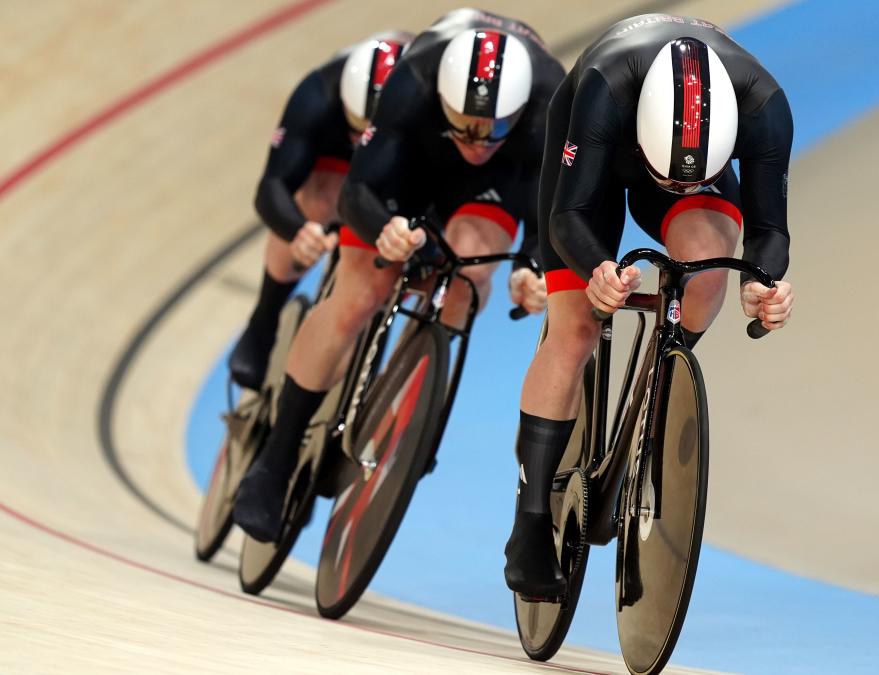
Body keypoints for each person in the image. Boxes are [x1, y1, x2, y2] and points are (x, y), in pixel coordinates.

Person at [233, 8, 564, 543]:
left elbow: (552, 208)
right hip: (416, 161)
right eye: (468, 125)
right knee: (360, 293)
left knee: (467, 277)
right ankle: (275, 459)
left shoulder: (552, 107)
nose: (479, 141)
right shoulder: (412, 82)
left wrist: (531, 265)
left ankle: (409, 388)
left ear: (521, 111)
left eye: (494, 128)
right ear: (442, 99)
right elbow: (356, 191)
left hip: (502, 179)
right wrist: (382, 230)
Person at [503, 14, 796, 599]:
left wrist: (765, 284)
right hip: (599, 159)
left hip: (687, 150)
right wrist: (599, 273)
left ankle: (659, 386)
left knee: (710, 268)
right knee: (576, 328)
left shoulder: (763, 106)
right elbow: (568, 218)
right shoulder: (605, 89)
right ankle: (530, 519)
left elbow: (770, 230)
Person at [228, 33, 413, 391]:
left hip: (398, 159)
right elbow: (272, 186)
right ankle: (264, 319)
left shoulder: (421, 104)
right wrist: (299, 231)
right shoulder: (317, 94)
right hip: (334, 160)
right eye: (358, 130)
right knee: (321, 195)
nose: (365, 143)